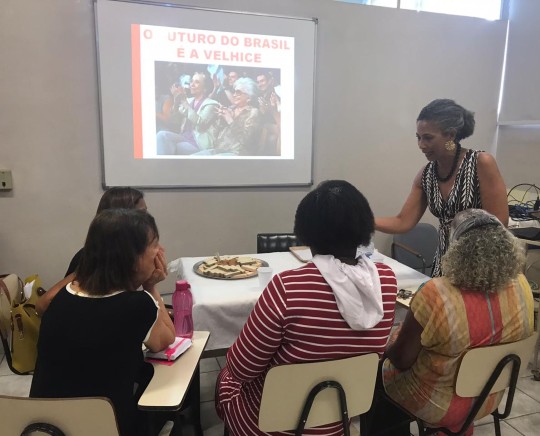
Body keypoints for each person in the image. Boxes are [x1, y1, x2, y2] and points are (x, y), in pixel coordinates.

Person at [215, 180, 398, 435]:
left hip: (271, 426)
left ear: (304, 232)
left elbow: (241, 368)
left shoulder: (287, 287)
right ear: (365, 226)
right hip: (338, 421)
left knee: (226, 379)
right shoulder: (386, 281)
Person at [372, 209, 534, 435]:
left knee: (378, 375)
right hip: (489, 397)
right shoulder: (521, 286)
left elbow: (401, 359)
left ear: (456, 250)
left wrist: (390, 341)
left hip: (437, 405)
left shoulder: (436, 294)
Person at [30, 209, 176, 436]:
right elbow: (167, 338)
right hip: (107, 426)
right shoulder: (137, 305)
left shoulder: (62, 297)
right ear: (132, 257)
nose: (159, 251)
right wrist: (151, 287)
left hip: (44, 426)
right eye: (154, 244)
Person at [375, 99, 509, 276]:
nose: (421, 145)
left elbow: (498, 225)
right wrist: (363, 220)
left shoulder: (481, 163)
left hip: (481, 267)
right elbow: (403, 221)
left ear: (451, 135)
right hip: (445, 264)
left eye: (428, 137)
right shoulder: (426, 175)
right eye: (419, 137)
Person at [36, 187, 148, 315]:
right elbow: (43, 304)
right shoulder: (93, 256)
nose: (148, 221)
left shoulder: (126, 256)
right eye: (142, 214)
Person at [195, 77, 262, 156]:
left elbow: (245, 140)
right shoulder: (231, 108)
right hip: (218, 149)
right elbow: (215, 133)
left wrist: (230, 120)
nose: (234, 95)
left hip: (237, 153)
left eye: (238, 92)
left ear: (248, 98)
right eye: (234, 92)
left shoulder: (253, 112)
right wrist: (220, 119)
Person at [156, 72, 219, 155]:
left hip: (198, 143)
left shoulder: (212, 104)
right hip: (184, 137)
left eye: (197, 82)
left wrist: (184, 101)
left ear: (205, 88)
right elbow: (174, 122)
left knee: (177, 147)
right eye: (192, 81)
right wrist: (176, 101)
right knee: (161, 135)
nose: (192, 84)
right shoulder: (189, 100)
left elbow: (201, 123)